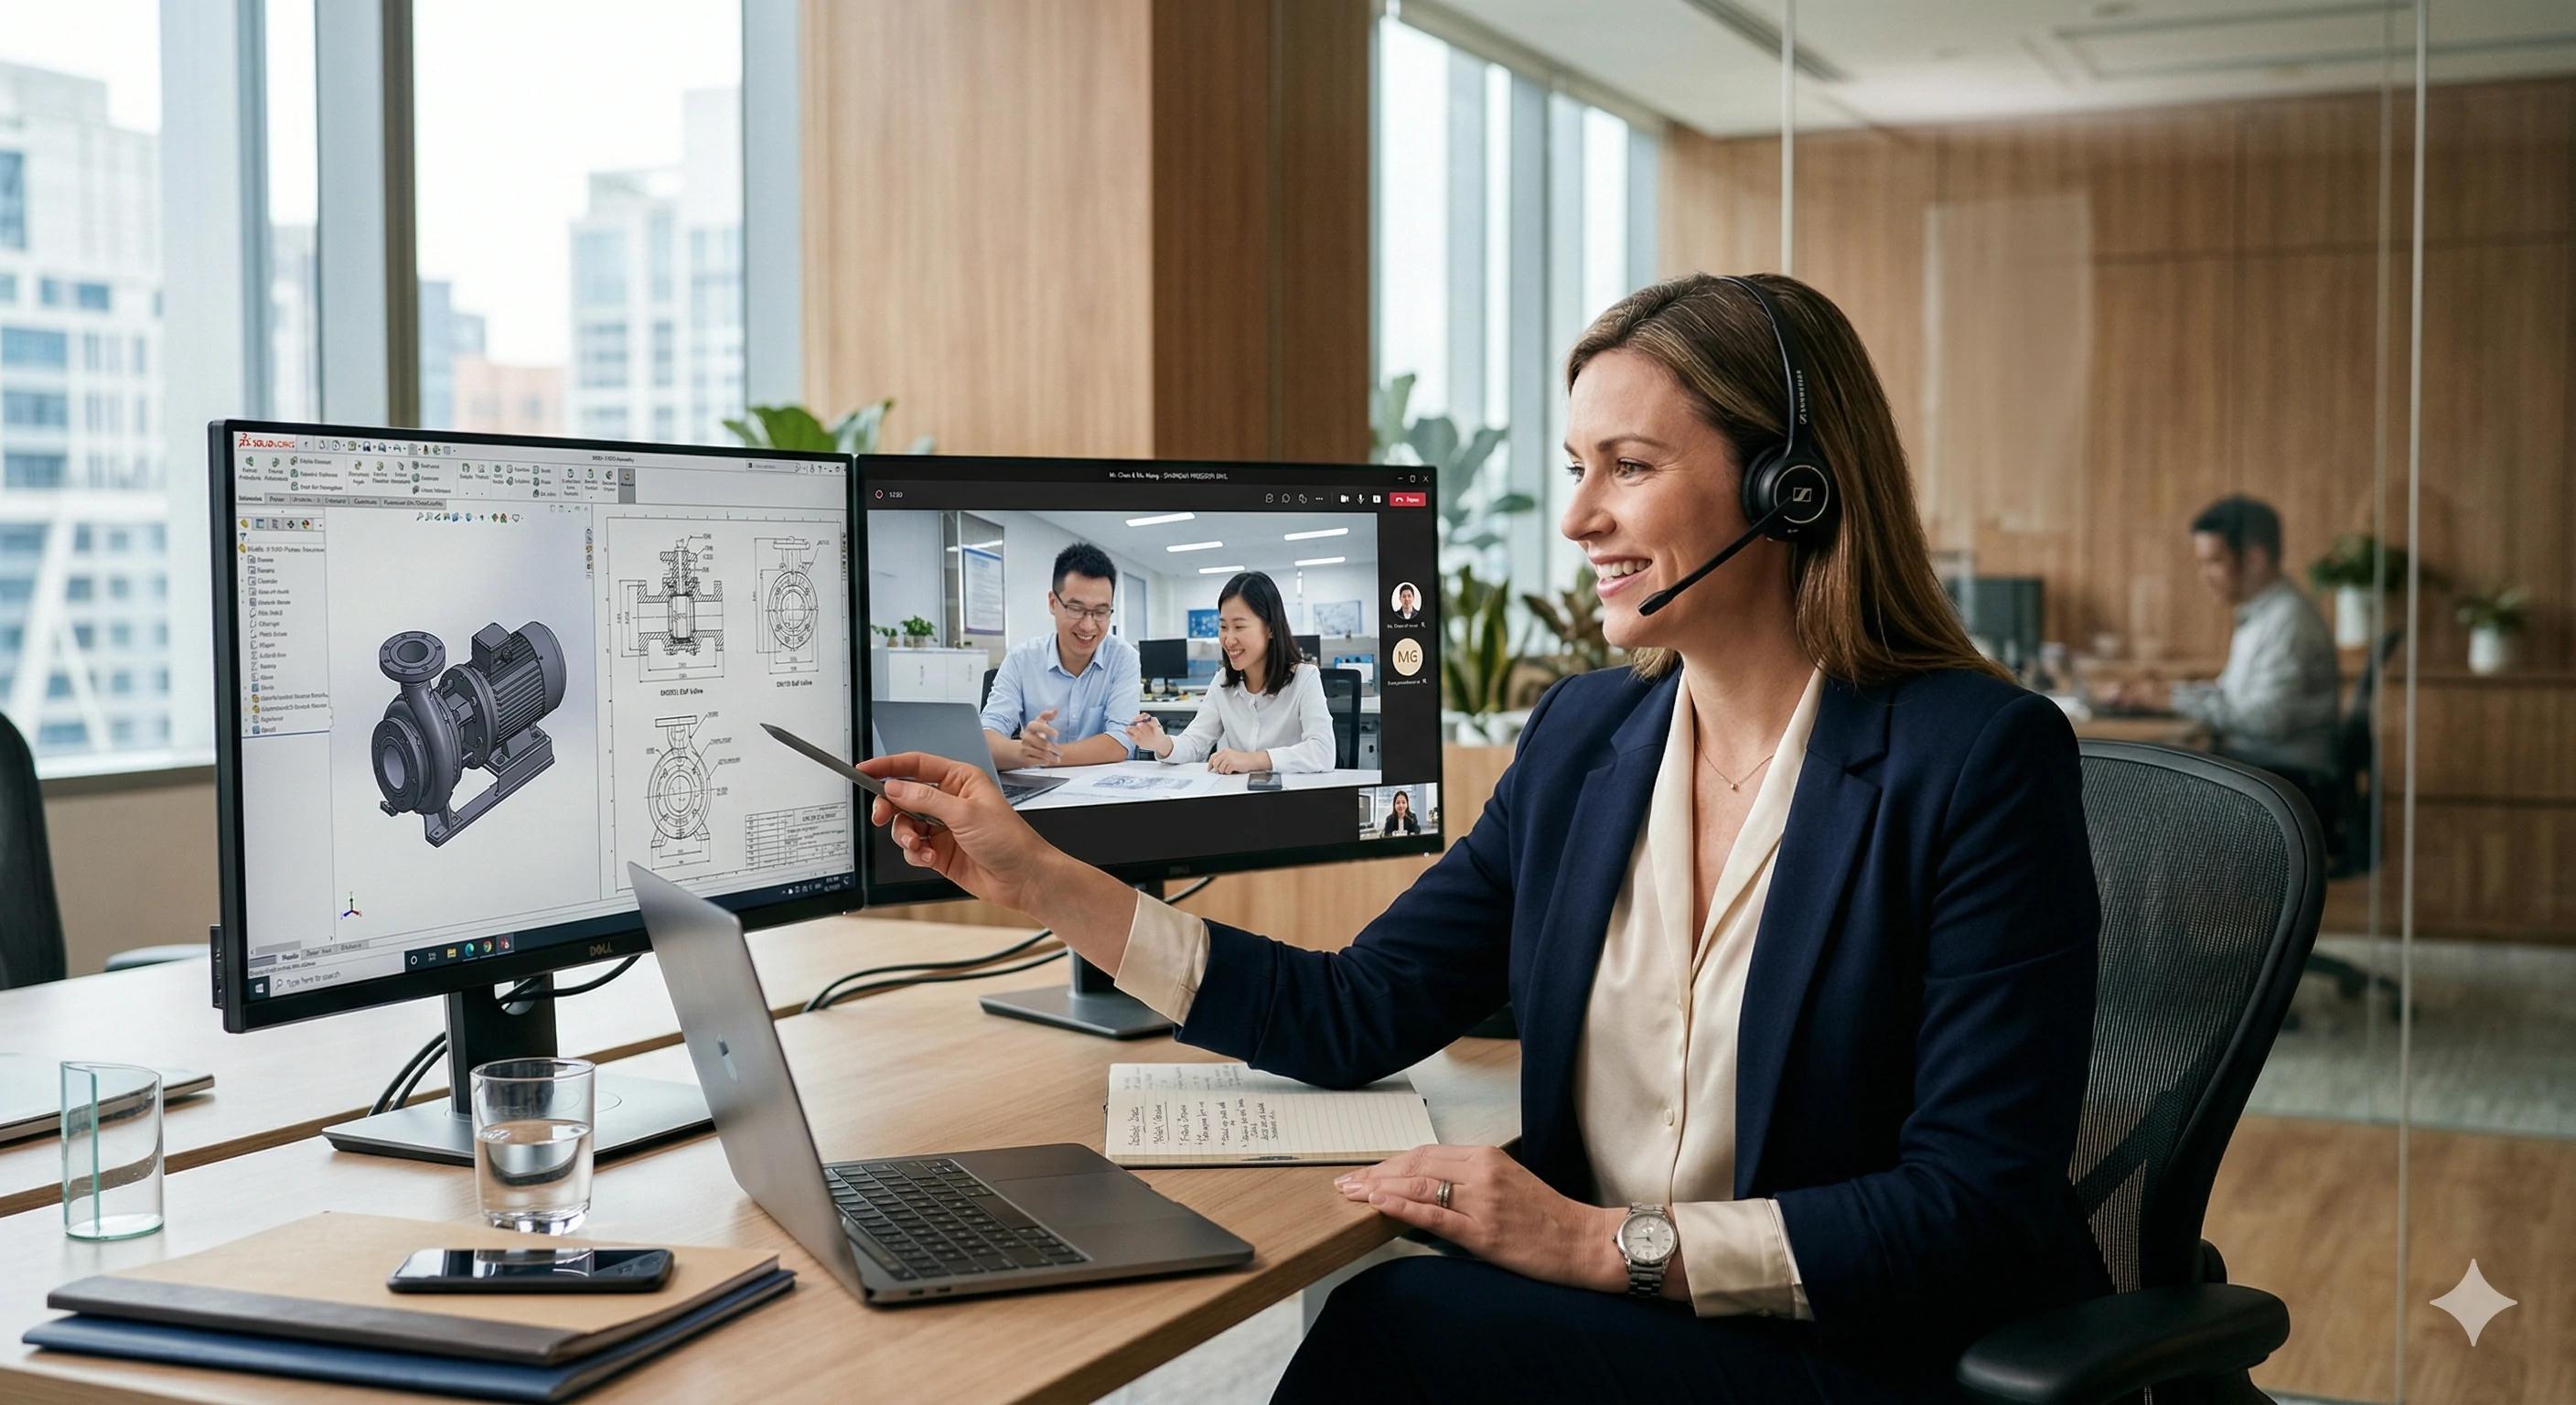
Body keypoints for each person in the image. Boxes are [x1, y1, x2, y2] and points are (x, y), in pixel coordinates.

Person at [859, 273, 2108, 1402]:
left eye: (1627, 466)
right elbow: (1358, 1009)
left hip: (1862, 1350)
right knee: (1400, 1325)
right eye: (1577, 468)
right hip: (1634, 1330)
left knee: (1400, 1334)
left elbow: (1975, 1210)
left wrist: (1599, 1244)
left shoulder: (1978, 759)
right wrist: (1039, 878)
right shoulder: (1583, 743)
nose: (1577, 520)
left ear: (1792, 485)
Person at [2122, 497, 2339, 778]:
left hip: (2283, 778)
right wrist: (2167, 694)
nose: (2205, 576)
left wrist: (2169, 702)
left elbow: (2267, 719)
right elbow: (2233, 696)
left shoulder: (2288, 621)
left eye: (2214, 562)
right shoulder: (2262, 614)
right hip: (2263, 768)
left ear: (2254, 559)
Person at [1127, 571, 1336, 775]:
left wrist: (1252, 760)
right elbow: (1194, 744)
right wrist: (1160, 742)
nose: (1228, 639)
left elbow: (1323, 751)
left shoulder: (1304, 678)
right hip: (1239, 801)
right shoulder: (1223, 682)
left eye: (1239, 627)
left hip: (1293, 798)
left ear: (1270, 629)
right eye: (1224, 627)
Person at [977, 542, 1143, 771]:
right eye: (1076, 609)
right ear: (1053, 603)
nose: (1088, 625)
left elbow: (1120, 743)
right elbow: (986, 736)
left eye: (1101, 612)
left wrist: (1039, 755)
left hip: (1105, 793)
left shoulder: (1124, 658)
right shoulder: (1021, 659)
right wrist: (1022, 751)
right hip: (1039, 793)